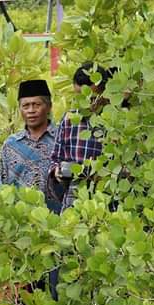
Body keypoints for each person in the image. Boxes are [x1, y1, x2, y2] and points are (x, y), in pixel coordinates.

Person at [49, 62, 114, 212]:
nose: (87, 105)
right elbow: (55, 158)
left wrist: (103, 174)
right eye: (80, 98)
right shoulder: (70, 118)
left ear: (105, 93)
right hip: (74, 201)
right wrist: (57, 171)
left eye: (92, 99)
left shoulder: (117, 122)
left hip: (107, 202)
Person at [0, 79, 62, 213]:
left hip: (57, 223)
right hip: (21, 224)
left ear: (49, 106)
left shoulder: (62, 140)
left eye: (36, 104)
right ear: (20, 109)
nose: (31, 110)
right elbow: (3, 187)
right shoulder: (10, 145)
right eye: (26, 106)